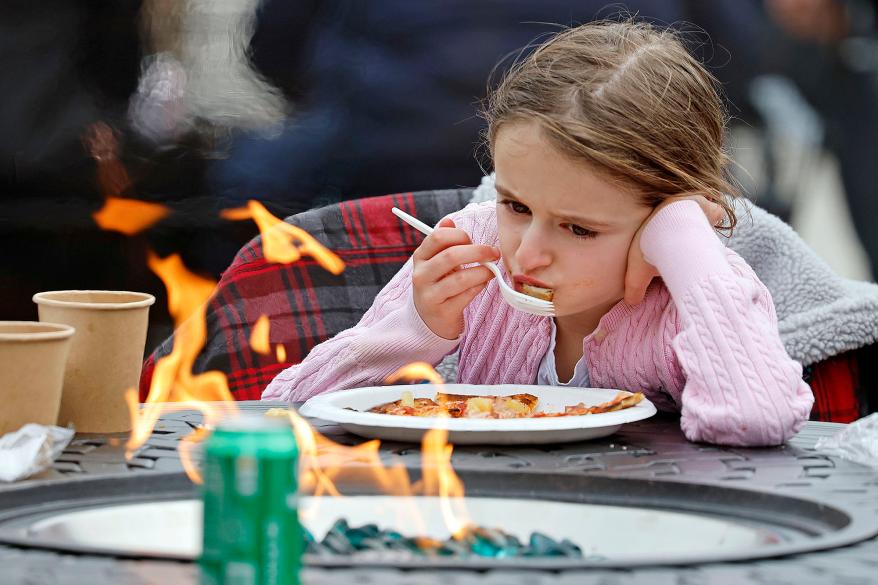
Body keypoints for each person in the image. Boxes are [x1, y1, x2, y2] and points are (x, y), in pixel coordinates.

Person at [262, 20, 815, 447]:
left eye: (579, 228)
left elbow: (758, 418)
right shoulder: (472, 245)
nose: (527, 253)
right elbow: (290, 406)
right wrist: (416, 330)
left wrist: (685, 236)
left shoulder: (685, 287)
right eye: (516, 205)